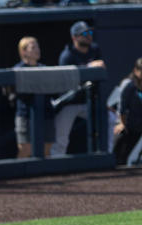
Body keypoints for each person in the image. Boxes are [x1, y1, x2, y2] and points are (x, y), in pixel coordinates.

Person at [54, 20, 106, 157]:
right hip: (68, 102)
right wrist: (89, 68)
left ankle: (107, 158)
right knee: (61, 140)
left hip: (88, 102)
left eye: (90, 32)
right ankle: (55, 166)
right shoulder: (67, 56)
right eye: (85, 33)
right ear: (75, 37)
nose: (89, 35)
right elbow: (68, 80)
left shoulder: (95, 49)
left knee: (110, 119)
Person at [12, 36, 55, 158]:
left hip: (45, 113)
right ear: (23, 51)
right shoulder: (17, 69)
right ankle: (18, 175)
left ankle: (46, 177)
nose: (37, 50)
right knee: (25, 148)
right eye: (33, 47)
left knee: (46, 149)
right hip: (25, 114)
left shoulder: (44, 68)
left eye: (38, 47)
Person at [113, 57, 142, 165]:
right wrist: (122, 123)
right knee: (117, 156)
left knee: (125, 156)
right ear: (136, 70)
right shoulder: (128, 84)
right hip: (126, 126)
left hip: (138, 126)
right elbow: (122, 106)